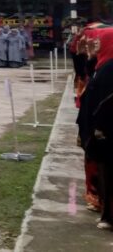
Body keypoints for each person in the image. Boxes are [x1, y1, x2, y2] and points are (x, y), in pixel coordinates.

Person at [82, 29, 113, 229]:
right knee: (104, 175)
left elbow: (106, 102)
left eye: (97, 43)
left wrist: (100, 127)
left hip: (107, 132)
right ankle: (106, 211)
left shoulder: (110, 68)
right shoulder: (102, 64)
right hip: (101, 131)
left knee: (109, 175)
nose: (94, 45)